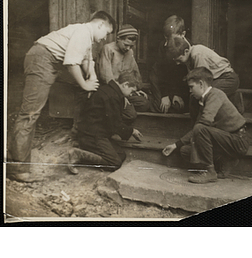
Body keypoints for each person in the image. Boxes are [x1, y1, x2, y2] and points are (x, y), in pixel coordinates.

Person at [8, 11, 116, 183]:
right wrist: (84, 83)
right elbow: (72, 63)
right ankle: (16, 167)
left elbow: (88, 61)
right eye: (106, 34)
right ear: (100, 25)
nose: (104, 38)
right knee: (30, 113)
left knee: (86, 88)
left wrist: (92, 77)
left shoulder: (87, 37)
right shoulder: (82, 32)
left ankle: (78, 133)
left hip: (52, 61)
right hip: (42, 58)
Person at [162, 67, 249, 184]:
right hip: (225, 141)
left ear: (201, 84)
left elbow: (202, 125)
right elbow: (199, 127)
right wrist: (176, 145)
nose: (190, 91)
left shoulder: (215, 95)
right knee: (185, 151)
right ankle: (225, 160)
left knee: (200, 128)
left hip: (237, 141)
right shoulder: (204, 100)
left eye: (191, 87)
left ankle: (210, 172)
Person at [68, 70, 143, 174]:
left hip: (97, 132)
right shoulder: (111, 96)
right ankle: (78, 154)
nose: (131, 95)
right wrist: (132, 131)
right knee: (115, 163)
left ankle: (84, 150)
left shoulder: (111, 91)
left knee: (121, 155)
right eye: (132, 91)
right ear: (125, 85)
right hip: (92, 135)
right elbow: (115, 125)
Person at [166, 36, 244, 114]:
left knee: (207, 94)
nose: (177, 63)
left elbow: (202, 80)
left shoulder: (197, 54)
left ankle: (235, 103)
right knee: (196, 95)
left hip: (228, 79)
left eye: (179, 59)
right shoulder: (190, 56)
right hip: (217, 79)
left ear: (186, 51)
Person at [96, 24, 150, 123]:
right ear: (118, 39)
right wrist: (121, 96)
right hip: (110, 91)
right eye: (126, 45)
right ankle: (116, 110)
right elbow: (106, 78)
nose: (128, 48)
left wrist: (134, 89)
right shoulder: (108, 49)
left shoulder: (130, 52)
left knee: (144, 103)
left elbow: (134, 73)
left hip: (124, 91)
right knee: (131, 114)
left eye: (131, 46)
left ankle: (118, 107)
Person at [149, 15, 189, 114]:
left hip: (180, 86)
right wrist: (164, 95)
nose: (167, 43)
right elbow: (161, 72)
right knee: (160, 107)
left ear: (183, 34)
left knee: (179, 107)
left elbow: (183, 75)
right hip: (165, 84)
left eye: (170, 39)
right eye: (166, 38)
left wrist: (177, 93)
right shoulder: (163, 46)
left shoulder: (187, 50)